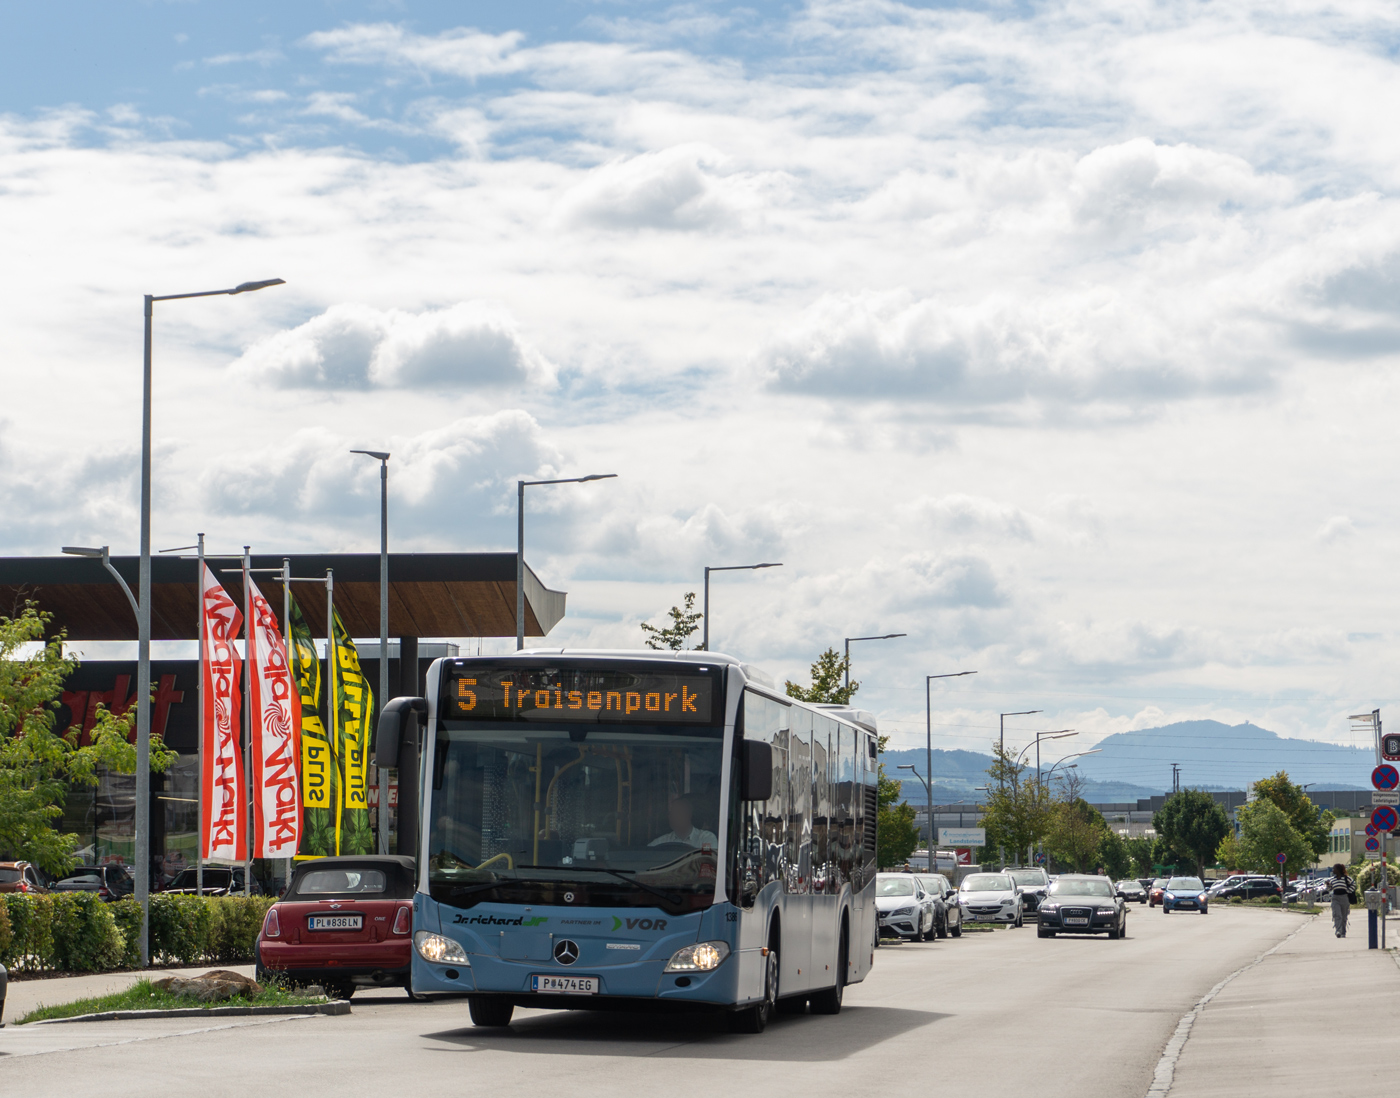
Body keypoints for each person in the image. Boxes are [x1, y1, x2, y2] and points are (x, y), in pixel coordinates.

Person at [649, 794, 718, 849]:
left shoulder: (705, 838)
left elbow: (707, 860)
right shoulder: (662, 841)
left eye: (678, 813)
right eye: (671, 813)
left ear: (689, 815)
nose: (673, 817)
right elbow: (646, 856)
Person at [1324, 862, 1357, 938]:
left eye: (1334, 869)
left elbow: (1353, 884)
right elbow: (1329, 889)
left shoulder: (1346, 878)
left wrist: (1348, 891)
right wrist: (1328, 885)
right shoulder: (1332, 879)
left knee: (1344, 916)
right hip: (1335, 898)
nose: (1333, 870)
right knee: (1337, 914)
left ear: (1338, 870)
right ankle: (1338, 931)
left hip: (1344, 897)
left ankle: (1343, 932)